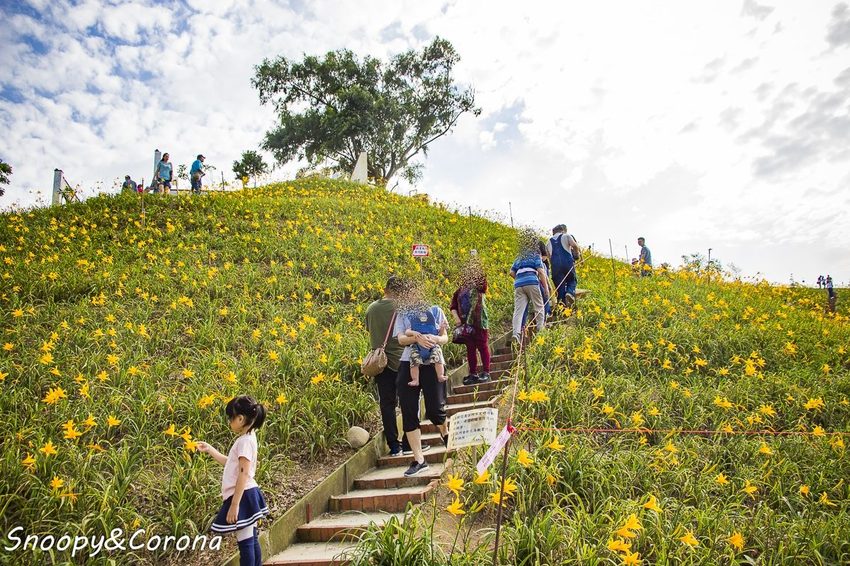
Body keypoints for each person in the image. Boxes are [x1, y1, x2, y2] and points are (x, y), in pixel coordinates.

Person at [197, 396, 269, 566]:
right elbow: (231, 463)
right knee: (250, 538)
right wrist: (210, 449)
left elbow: (243, 473)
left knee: (245, 543)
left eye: (231, 418)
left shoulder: (244, 442)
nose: (229, 421)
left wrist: (235, 504)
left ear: (240, 419)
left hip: (242, 495)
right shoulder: (249, 437)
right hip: (247, 493)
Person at [395, 284, 450, 477]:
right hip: (409, 362)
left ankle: (446, 434)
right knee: (409, 410)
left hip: (433, 362)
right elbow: (401, 339)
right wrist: (416, 339)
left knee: (435, 409)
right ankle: (419, 459)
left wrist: (432, 338)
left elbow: (445, 338)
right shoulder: (403, 314)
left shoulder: (435, 310)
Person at [365, 276, 410, 457]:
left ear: (385, 289)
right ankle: (408, 442)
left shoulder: (371, 309)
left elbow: (370, 330)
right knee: (408, 403)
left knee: (387, 404)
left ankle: (394, 446)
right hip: (402, 361)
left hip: (381, 364)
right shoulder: (403, 309)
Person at [451, 254, 492, 386]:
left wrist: (476, 264)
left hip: (479, 321)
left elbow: (483, 282)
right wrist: (457, 319)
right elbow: (453, 306)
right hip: (465, 324)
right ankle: (473, 373)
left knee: (482, 345)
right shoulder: (459, 290)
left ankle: (486, 372)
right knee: (470, 349)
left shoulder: (479, 286)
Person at [511, 232, 549, 343]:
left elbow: (511, 272)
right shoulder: (535, 255)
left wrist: (520, 280)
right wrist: (546, 288)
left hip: (518, 283)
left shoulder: (520, 256)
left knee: (518, 311)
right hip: (532, 281)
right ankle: (540, 331)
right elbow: (541, 272)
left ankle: (516, 334)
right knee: (539, 307)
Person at [404, 308, 447, 386]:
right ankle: (415, 379)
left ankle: (440, 375)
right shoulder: (414, 324)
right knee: (414, 361)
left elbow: (440, 334)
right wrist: (413, 333)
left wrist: (442, 327)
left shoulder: (433, 324)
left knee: (438, 358)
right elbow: (407, 332)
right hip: (417, 347)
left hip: (432, 346)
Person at [547, 224, 581, 307]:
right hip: (567, 263)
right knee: (572, 280)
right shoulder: (566, 236)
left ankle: (562, 308)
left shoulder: (548, 242)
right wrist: (576, 254)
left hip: (555, 266)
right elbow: (575, 245)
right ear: (563, 230)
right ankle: (569, 292)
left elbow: (549, 257)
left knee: (560, 287)